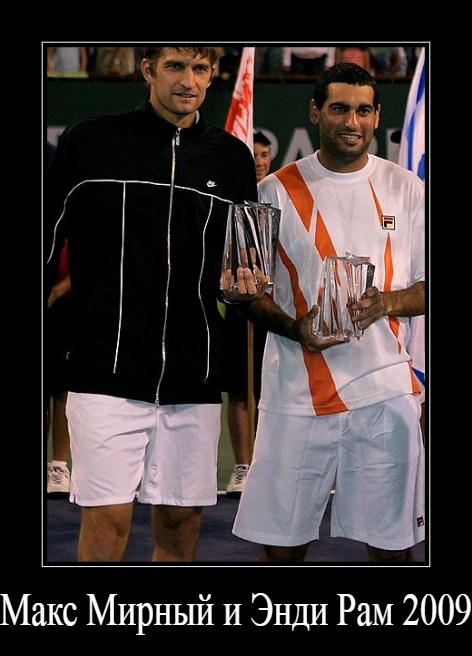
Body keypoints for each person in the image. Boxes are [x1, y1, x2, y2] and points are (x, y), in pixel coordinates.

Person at [45, 46, 258, 562]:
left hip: (192, 375)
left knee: (182, 523)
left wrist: (246, 283)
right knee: (106, 521)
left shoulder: (231, 158)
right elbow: (49, 241)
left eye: (200, 69)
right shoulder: (89, 141)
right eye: (175, 67)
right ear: (147, 70)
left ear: (212, 75)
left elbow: (246, 260)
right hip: (104, 368)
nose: (188, 81)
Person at [230, 63, 425, 562]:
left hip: (384, 392)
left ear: (377, 116)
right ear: (315, 111)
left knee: (392, 548)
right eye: (339, 109)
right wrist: (297, 329)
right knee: (282, 549)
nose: (352, 122)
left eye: (363, 110)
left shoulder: (409, 189)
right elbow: (246, 293)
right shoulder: (272, 191)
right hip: (295, 394)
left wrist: (387, 303)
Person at [225, 131, 273, 497]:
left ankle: (266, 465)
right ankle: (243, 466)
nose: (259, 161)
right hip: (239, 306)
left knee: (269, 389)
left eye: (264, 154)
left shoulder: (279, 194)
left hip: (274, 310)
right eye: (253, 154)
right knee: (241, 388)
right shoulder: (230, 197)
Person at [45, 142, 72, 497]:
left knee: (62, 390)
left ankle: (59, 466)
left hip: (65, 307)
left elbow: (89, 257)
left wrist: (57, 291)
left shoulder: (72, 206)